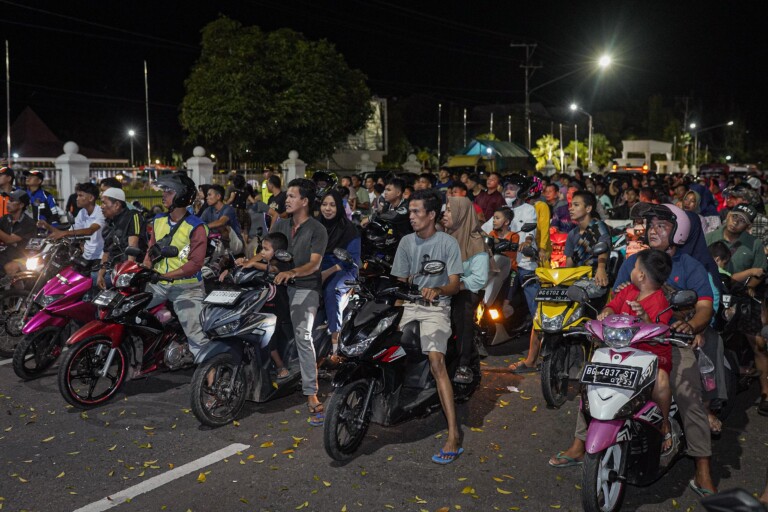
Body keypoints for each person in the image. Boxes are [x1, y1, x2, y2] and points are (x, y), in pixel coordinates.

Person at [549, 202, 718, 497]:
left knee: (688, 392)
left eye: (662, 226)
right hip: (625, 344)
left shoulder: (690, 266)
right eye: (651, 225)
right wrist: (601, 316)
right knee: (594, 379)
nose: (653, 230)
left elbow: (704, 307)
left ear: (679, 233)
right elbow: (616, 299)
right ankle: (579, 445)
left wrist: (692, 327)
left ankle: (702, 467)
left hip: (669, 343)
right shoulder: (633, 261)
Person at [390, 189, 464, 464]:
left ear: (431, 215)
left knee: (436, 362)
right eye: (409, 211)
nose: (411, 217)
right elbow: (400, 281)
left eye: (416, 211)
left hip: (436, 308)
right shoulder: (406, 242)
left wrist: (438, 289)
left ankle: (454, 434)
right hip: (410, 305)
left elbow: (456, 284)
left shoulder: (447, 243)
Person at [598, 248, 675, 451]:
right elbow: (613, 305)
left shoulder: (661, 302)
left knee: (661, 380)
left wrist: (646, 320)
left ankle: (664, 423)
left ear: (641, 274)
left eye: (634, 267)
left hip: (652, 356)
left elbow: (659, 333)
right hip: (621, 351)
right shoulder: (628, 291)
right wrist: (606, 311)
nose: (631, 271)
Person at [271, 178, 328, 426]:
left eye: (292, 196)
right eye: (287, 195)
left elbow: (314, 264)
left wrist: (292, 273)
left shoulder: (317, 229)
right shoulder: (281, 224)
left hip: (306, 288)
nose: (287, 199)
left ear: (305, 201)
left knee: (303, 335)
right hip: (279, 285)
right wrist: (248, 262)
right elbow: (268, 252)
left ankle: (311, 392)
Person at [705, 203, 768, 415]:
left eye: (742, 220)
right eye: (734, 216)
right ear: (727, 215)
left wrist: (747, 288)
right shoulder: (710, 238)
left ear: (748, 226)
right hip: (714, 294)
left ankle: (766, 393)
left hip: (742, 298)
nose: (735, 222)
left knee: (757, 341)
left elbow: (760, 273)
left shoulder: (754, 244)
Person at [142, 172, 209, 361]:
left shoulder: (196, 226)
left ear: (180, 196)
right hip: (159, 283)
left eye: (168, 191)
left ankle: (212, 377)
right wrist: (145, 267)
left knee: (196, 335)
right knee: (130, 310)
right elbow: (151, 250)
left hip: (186, 288)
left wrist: (168, 275)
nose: (163, 195)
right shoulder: (158, 220)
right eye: (163, 191)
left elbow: (195, 264)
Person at [231, 233, 292, 380]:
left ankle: (280, 366)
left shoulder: (283, 262)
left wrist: (253, 263)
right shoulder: (262, 262)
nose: (262, 252)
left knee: (270, 340)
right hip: (261, 308)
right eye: (261, 249)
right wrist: (242, 263)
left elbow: (273, 270)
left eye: (266, 249)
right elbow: (250, 267)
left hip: (276, 311)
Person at [442, 196, 489, 385]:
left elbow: (479, 278)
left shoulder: (476, 242)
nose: (444, 214)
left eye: (449, 211)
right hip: (444, 288)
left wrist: (456, 285)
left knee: (462, 312)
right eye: (445, 210)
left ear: (462, 215)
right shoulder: (443, 237)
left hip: (465, 288)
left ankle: (464, 363)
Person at [317, 189, 361, 362]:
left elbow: (352, 259)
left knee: (331, 290)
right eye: (324, 204)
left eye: (332, 205)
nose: (328, 209)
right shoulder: (316, 226)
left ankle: (335, 345)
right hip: (319, 266)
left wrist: (326, 273)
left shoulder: (349, 230)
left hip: (344, 268)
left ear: (340, 208)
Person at [37, 182, 105, 268]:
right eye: (77, 195)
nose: (77, 199)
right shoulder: (82, 212)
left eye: (80, 196)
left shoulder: (100, 212)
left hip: (99, 258)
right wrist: (48, 226)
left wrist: (64, 233)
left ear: (91, 198)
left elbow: (90, 230)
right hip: (86, 256)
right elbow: (72, 231)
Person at [96, 188, 146, 290]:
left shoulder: (133, 216)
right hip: (114, 270)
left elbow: (133, 246)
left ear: (117, 205)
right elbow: (106, 253)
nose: (101, 207)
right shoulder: (109, 223)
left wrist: (126, 273)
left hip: (130, 272)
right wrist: (100, 274)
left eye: (104, 203)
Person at [0, 189, 36, 276]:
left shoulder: (28, 223)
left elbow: (9, 240)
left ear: (21, 205)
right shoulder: (5, 218)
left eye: (12, 200)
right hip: (5, 255)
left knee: (11, 267)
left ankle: (21, 289)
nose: (8, 202)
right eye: (8, 200)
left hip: (22, 257)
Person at [201, 184, 245, 255]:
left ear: (218, 196)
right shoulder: (208, 210)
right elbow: (199, 223)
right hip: (217, 242)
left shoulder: (228, 209)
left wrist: (204, 226)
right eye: (207, 195)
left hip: (236, 244)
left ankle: (227, 253)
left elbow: (221, 222)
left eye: (209, 195)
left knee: (222, 226)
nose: (207, 197)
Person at [225, 175, 252, 246]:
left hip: (236, 212)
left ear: (234, 183)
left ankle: (242, 245)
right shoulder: (246, 193)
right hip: (244, 212)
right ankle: (246, 245)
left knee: (238, 229)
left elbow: (231, 200)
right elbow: (253, 201)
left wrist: (225, 205)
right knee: (245, 229)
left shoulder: (234, 192)